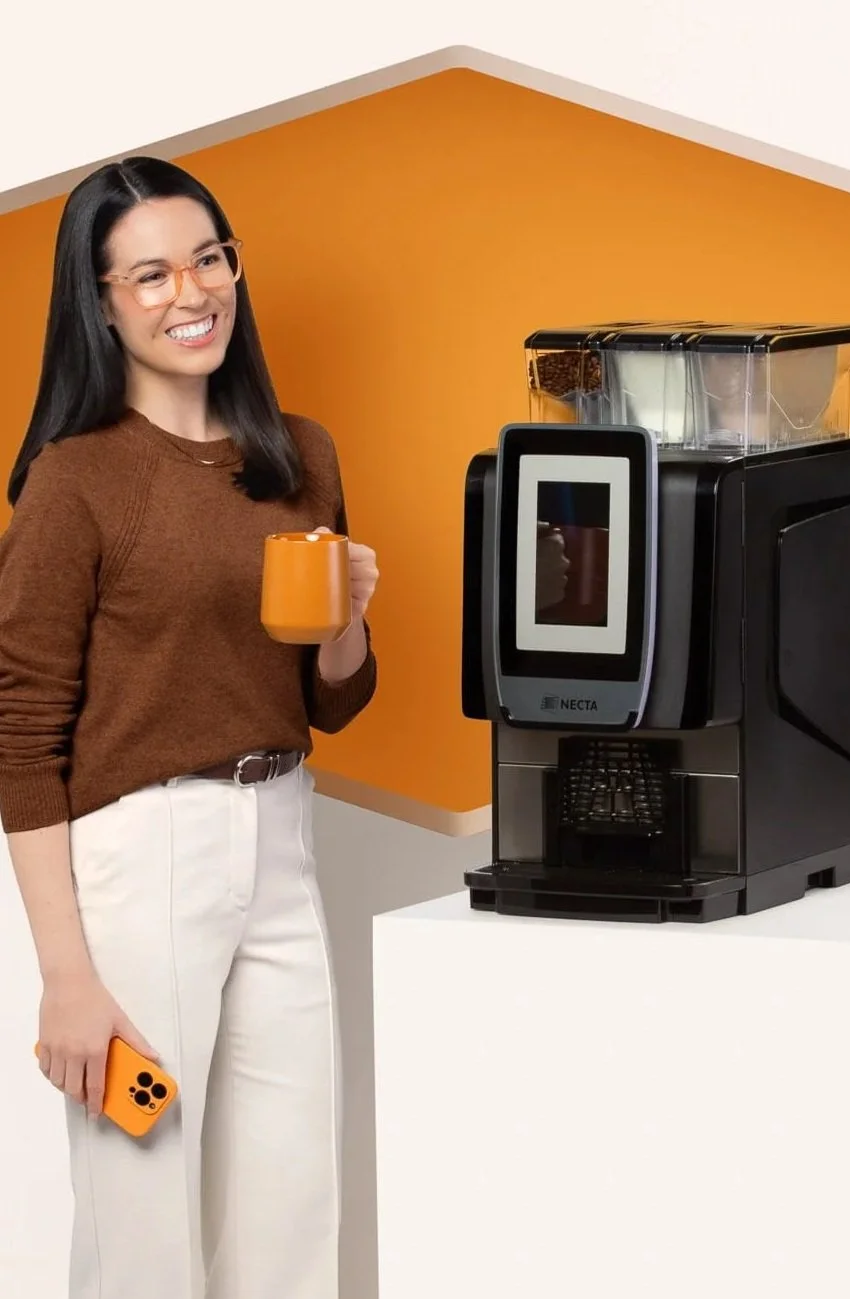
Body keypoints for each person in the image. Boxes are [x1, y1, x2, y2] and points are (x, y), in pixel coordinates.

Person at [0, 155, 379, 1299]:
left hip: (281, 841)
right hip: (137, 868)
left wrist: (347, 621)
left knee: (289, 1191)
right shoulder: (75, 483)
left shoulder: (299, 456)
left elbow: (332, 699)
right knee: (141, 1198)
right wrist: (66, 975)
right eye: (150, 274)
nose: (190, 292)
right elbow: (19, 733)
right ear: (101, 302)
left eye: (208, 259)